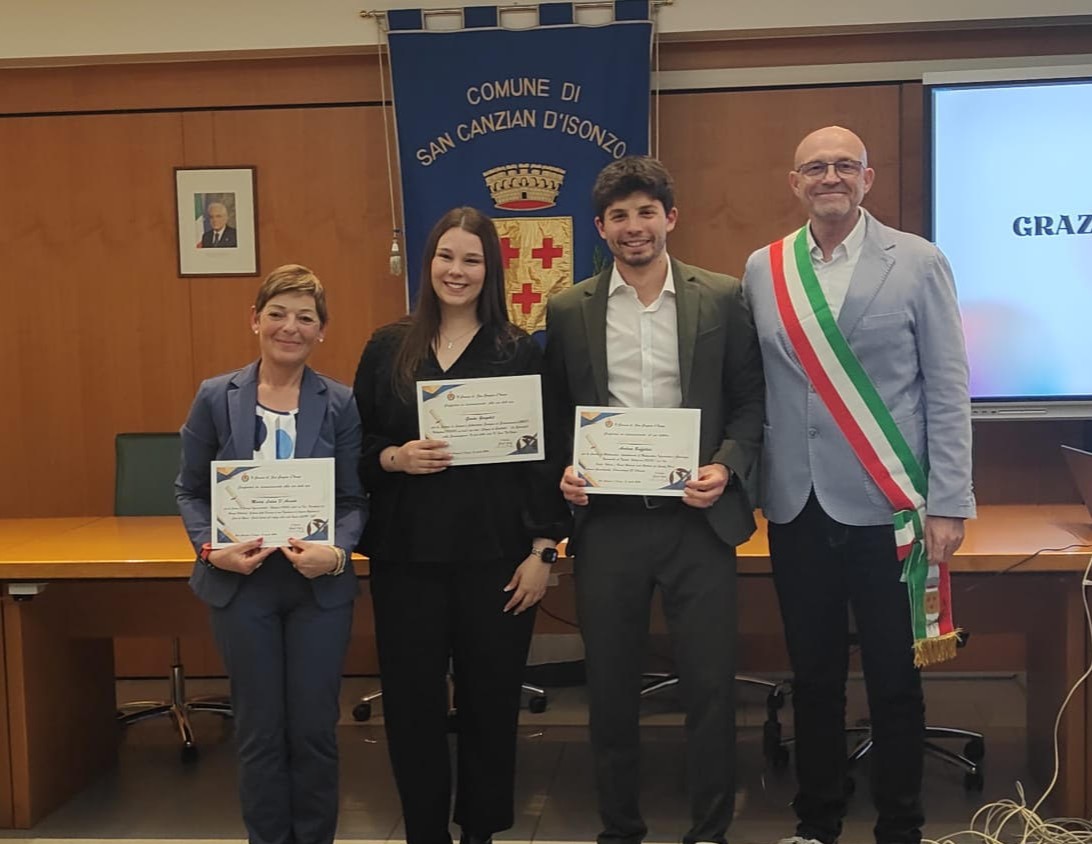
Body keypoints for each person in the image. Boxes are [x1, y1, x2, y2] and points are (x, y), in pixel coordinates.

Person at [741, 125, 975, 844]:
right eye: (815, 167)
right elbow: (755, 385)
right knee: (812, 676)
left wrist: (950, 502)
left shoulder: (918, 261)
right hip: (797, 505)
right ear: (795, 183)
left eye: (845, 165)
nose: (831, 177)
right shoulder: (763, 268)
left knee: (894, 678)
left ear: (868, 178)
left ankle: (900, 825)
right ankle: (817, 822)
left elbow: (947, 387)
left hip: (890, 507)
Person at [544, 156, 765, 844]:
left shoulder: (721, 297)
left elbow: (751, 403)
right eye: (619, 216)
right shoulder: (569, 308)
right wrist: (566, 473)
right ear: (600, 228)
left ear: (671, 217)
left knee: (710, 687)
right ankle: (620, 829)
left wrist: (726, 467)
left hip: (698, 522)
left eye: (646, 212)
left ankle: (710, 831)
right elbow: (556, 413)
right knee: (610, 689)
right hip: (609, 525)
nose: (633, 227)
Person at [352, 207, 570, 844]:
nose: (457, 270)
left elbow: (546, 458)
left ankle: (480, 830)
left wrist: (544, 550)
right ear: (429, 264)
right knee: (411, 702)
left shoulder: (518, 350)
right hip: (407, 559)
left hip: (497, 559)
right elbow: (354, 445)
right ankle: (424, 831)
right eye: (446, 256)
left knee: (491, 700)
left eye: (472, 260)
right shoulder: (387, 347)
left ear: (490, 270)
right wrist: (395, 458)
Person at [176, 264, 365, 844]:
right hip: (242, 586)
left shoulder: (340, 402)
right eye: (277, 314)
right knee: (259, 732)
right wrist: (211, 549)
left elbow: (354, 499)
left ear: (321, 330)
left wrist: (336, 553)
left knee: (313, 731)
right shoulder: (216, 397)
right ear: (254, 320)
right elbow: (190, 490)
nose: (290, 327)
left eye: (305, 318)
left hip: (316, 588)